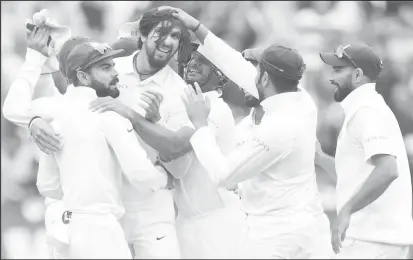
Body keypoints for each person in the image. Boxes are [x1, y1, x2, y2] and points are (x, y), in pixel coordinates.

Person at [168, 7, 326, 259]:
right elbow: (235, 65)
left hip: (275, 237)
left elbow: (224, 175)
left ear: (263, 79)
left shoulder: (278, 127)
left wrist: (200, 126)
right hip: (302, 227)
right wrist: (197, 27)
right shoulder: (303, 100)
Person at [2, 26, 168, 258]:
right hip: (101, 231)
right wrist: (163, 173)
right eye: (105, 67)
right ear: (82, 76)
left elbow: (48, 186)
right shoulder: (108, 115)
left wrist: (34, 59)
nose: (115, 73)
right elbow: (142, 177)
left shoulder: (55, 112)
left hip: (66, 230)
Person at [319, 43, 413, 258]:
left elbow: (388, 169)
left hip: (372, 239)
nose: (330, 77)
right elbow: (354, 176)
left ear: (358, 74)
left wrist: (346, 211)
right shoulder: (364, 109)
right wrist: (319, 158)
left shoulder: (367, 112)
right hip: (375, 237)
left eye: (337, 70)